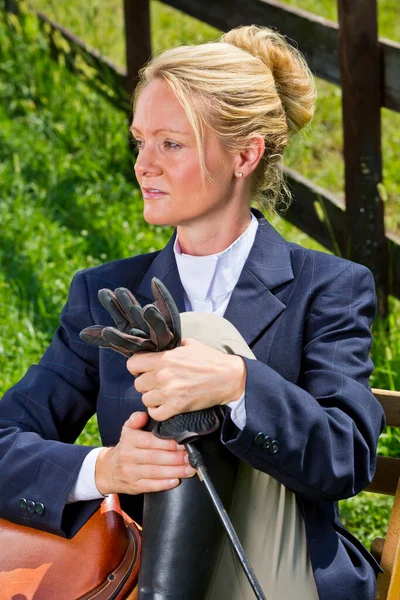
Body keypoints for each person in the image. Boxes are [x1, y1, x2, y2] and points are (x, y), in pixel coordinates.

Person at [0, 24, 385, 600]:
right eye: (140, 142)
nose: (143, 165)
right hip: (149, 570)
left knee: (201, 334)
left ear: (244, 154)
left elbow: (346, 457)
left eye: (170, 144)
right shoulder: (106, 291)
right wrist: (106, 469)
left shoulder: (329, 288)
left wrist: (237, 385)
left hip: (280, 576)